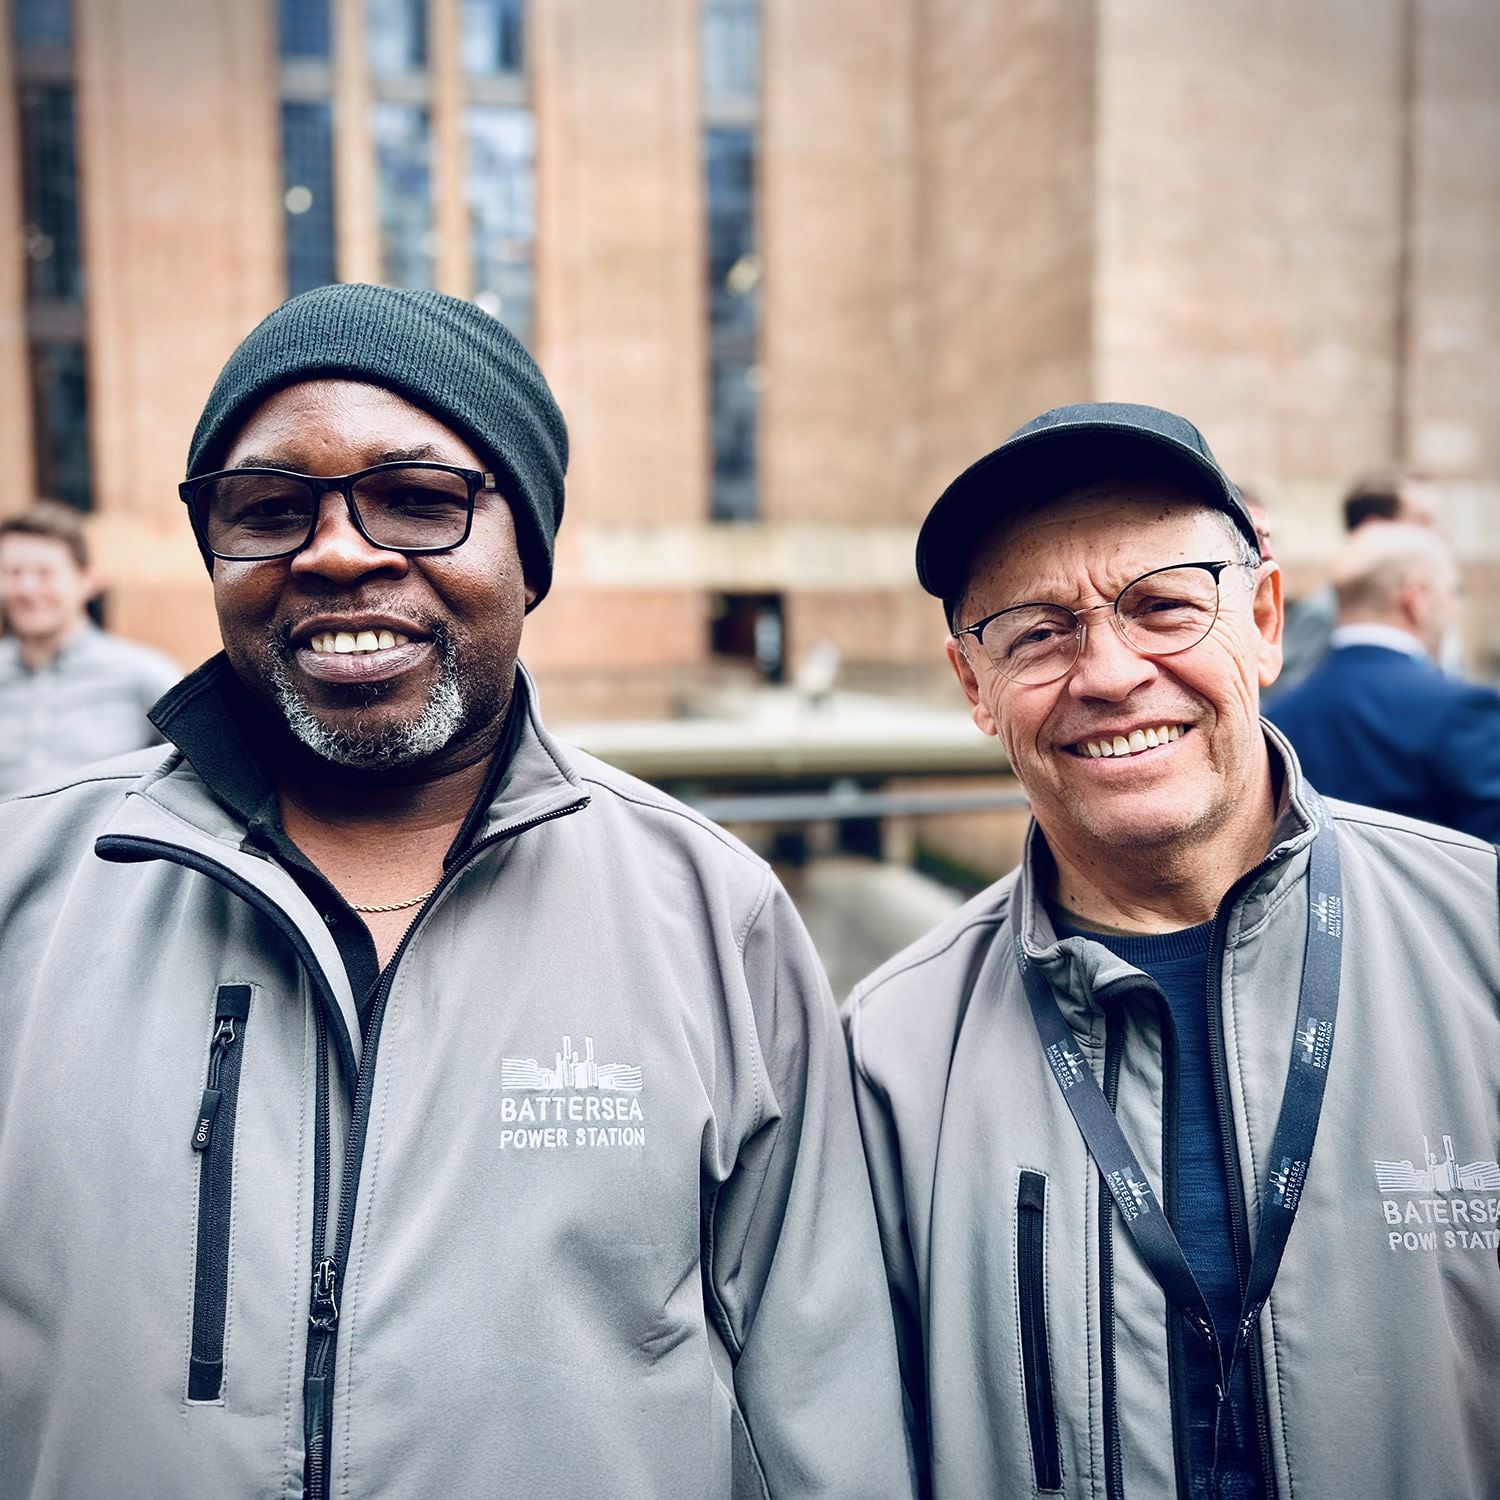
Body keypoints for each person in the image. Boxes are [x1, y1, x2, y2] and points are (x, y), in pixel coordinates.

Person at [0, 285, 911, 1499]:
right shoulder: (29, 888)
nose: (336, 549)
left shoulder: (713, 916)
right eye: (269, 509)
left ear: (526, 555)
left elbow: (825, 1409)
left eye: (420, 501)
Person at [844, 402, 1500, 1500]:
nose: (1108, 673)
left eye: (1163, 606)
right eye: (1038, 631)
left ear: (1267, 617)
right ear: (974, 687)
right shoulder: (886, 1063)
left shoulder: (1480, 942)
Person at [1268, 524, 1500, 841]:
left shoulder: (1281, 715)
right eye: (1453, 591)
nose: (1454, 608)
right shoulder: (1463, 709)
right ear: (1415, 596)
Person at [0, 499, 180, 796]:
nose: (27, 589)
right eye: (14, 573)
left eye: (44, 573)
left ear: (87, 580)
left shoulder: (142, 673)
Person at [1268, 468, 1440, 701]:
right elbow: (1285, 706)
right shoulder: (1325, 613)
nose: (1436, 534)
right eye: (1423, 520)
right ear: (1373, 528)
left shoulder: (1431, 608)